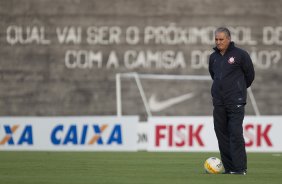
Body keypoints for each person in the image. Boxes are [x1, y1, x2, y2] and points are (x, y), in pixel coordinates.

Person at [208, 27, 255, 175]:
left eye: (221, 39)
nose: (218, 42)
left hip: (236, 101)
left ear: (228, 39)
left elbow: (250, 76)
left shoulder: (241, 55)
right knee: (221, 134)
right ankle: (229, 168)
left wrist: (237, 90)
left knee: (235, 133)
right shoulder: (213, 57)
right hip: (219, 102)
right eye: (216, 39)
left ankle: (240, 168)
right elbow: (213, 75)